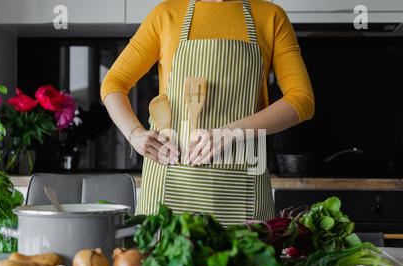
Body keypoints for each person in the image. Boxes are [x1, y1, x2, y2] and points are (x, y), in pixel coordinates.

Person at [101, 0, 314, 224]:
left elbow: (302, 99)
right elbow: (113, 83)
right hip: (170, 180)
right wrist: (134, 134)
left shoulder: (270, 17)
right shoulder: (166, 14)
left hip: (242, 189)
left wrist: (232, 131)